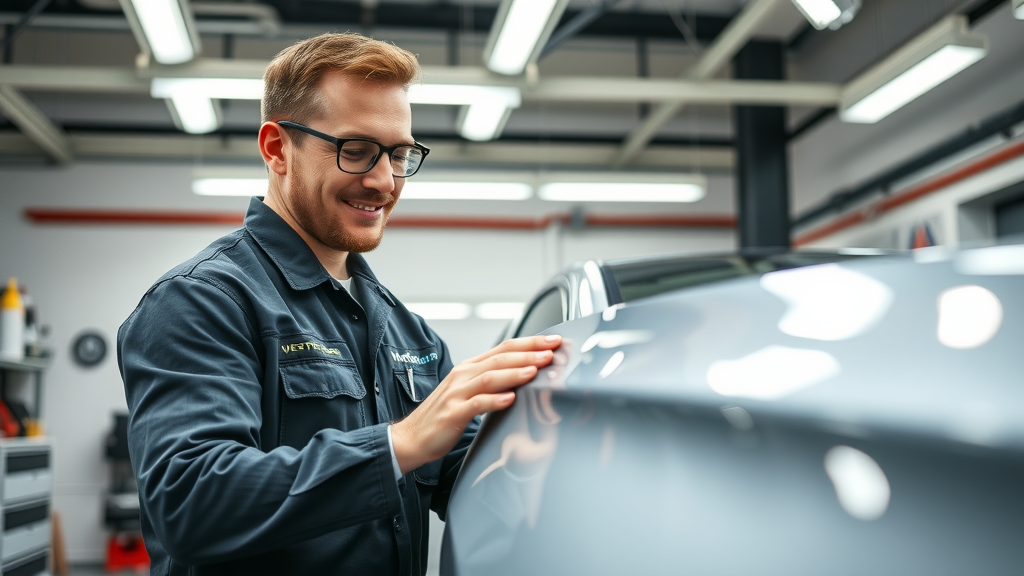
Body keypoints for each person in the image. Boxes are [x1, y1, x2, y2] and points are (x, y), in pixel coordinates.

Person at [117, 33, 561, 576]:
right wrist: (401, 443)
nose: (383, 181)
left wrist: (530, 454)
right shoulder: (202, 301)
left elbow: (469, 489)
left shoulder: (409, 335)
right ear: (277, 148)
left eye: (399, 154)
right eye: (356, 151)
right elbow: (191, 505)